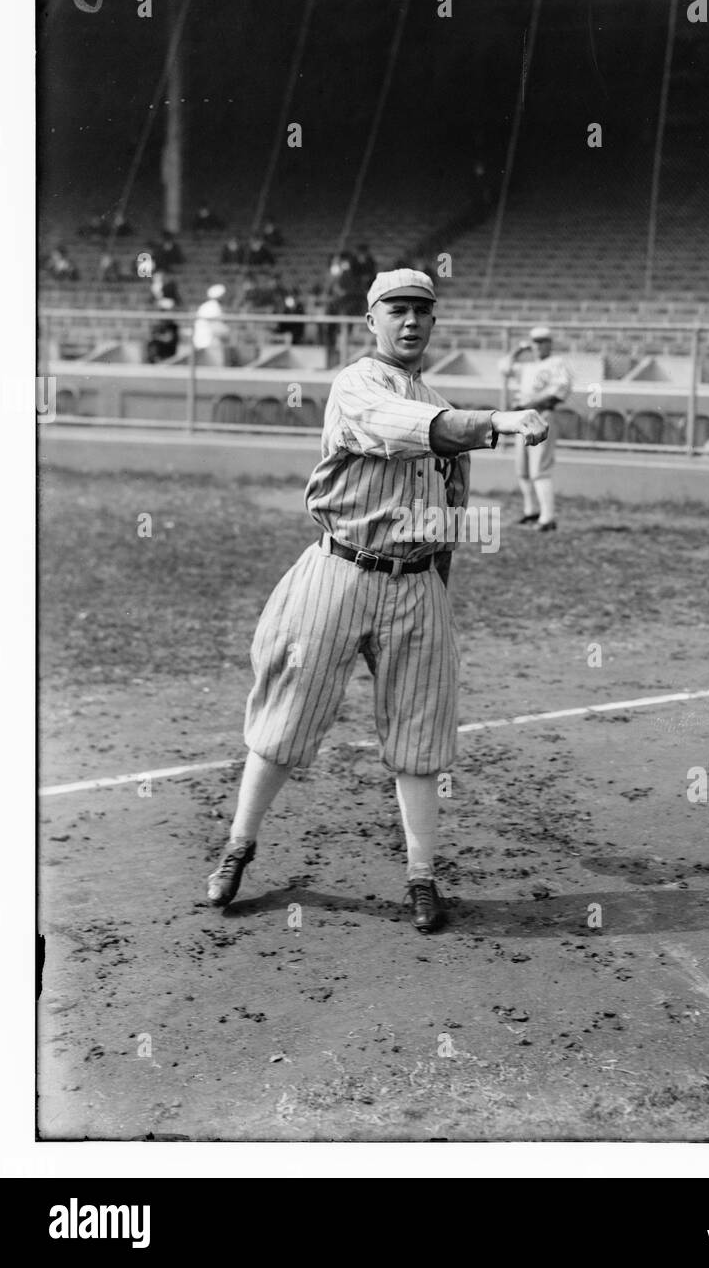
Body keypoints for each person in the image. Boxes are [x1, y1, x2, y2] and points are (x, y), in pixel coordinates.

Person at [206, 269, 549, 930]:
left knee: (420, 733)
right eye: (397, 309)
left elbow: (450, 510)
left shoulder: (441, 406)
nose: (411, 320)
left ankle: (421, 875)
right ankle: (237, 846)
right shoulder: (356, 385)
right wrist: (499, 420)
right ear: (371, 320)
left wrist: (438, 594)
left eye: (422, 309)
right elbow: (404, 429)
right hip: (339, 569)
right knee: (286, 717)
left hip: (416, 582)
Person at [499, 326, 572, 532]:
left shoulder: (557, 363)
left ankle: (548, 518)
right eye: (535, 342)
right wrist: (518, 350)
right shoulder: (527, 366)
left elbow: (560, 390)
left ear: (550, 343)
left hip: (543, 414)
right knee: (522, 469)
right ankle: (531, 511)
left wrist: (531, 400)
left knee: (540, 469)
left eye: (542, 341)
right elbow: (504, 367)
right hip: (524, 418)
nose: (538, 346)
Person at [192, 284, 230, 366]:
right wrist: (228, 332)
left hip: (200, 342)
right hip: (210, 343)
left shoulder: (205, 306)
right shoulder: (214, 307)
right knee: (215, 372)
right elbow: (217, 329)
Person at [146, 298, 180, 363]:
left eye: (163, 311)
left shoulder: (172, 326)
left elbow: (168, 339)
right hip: (156, 358)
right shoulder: (157, 325)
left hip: (167, 356)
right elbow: (149, 337)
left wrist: (157, 337)